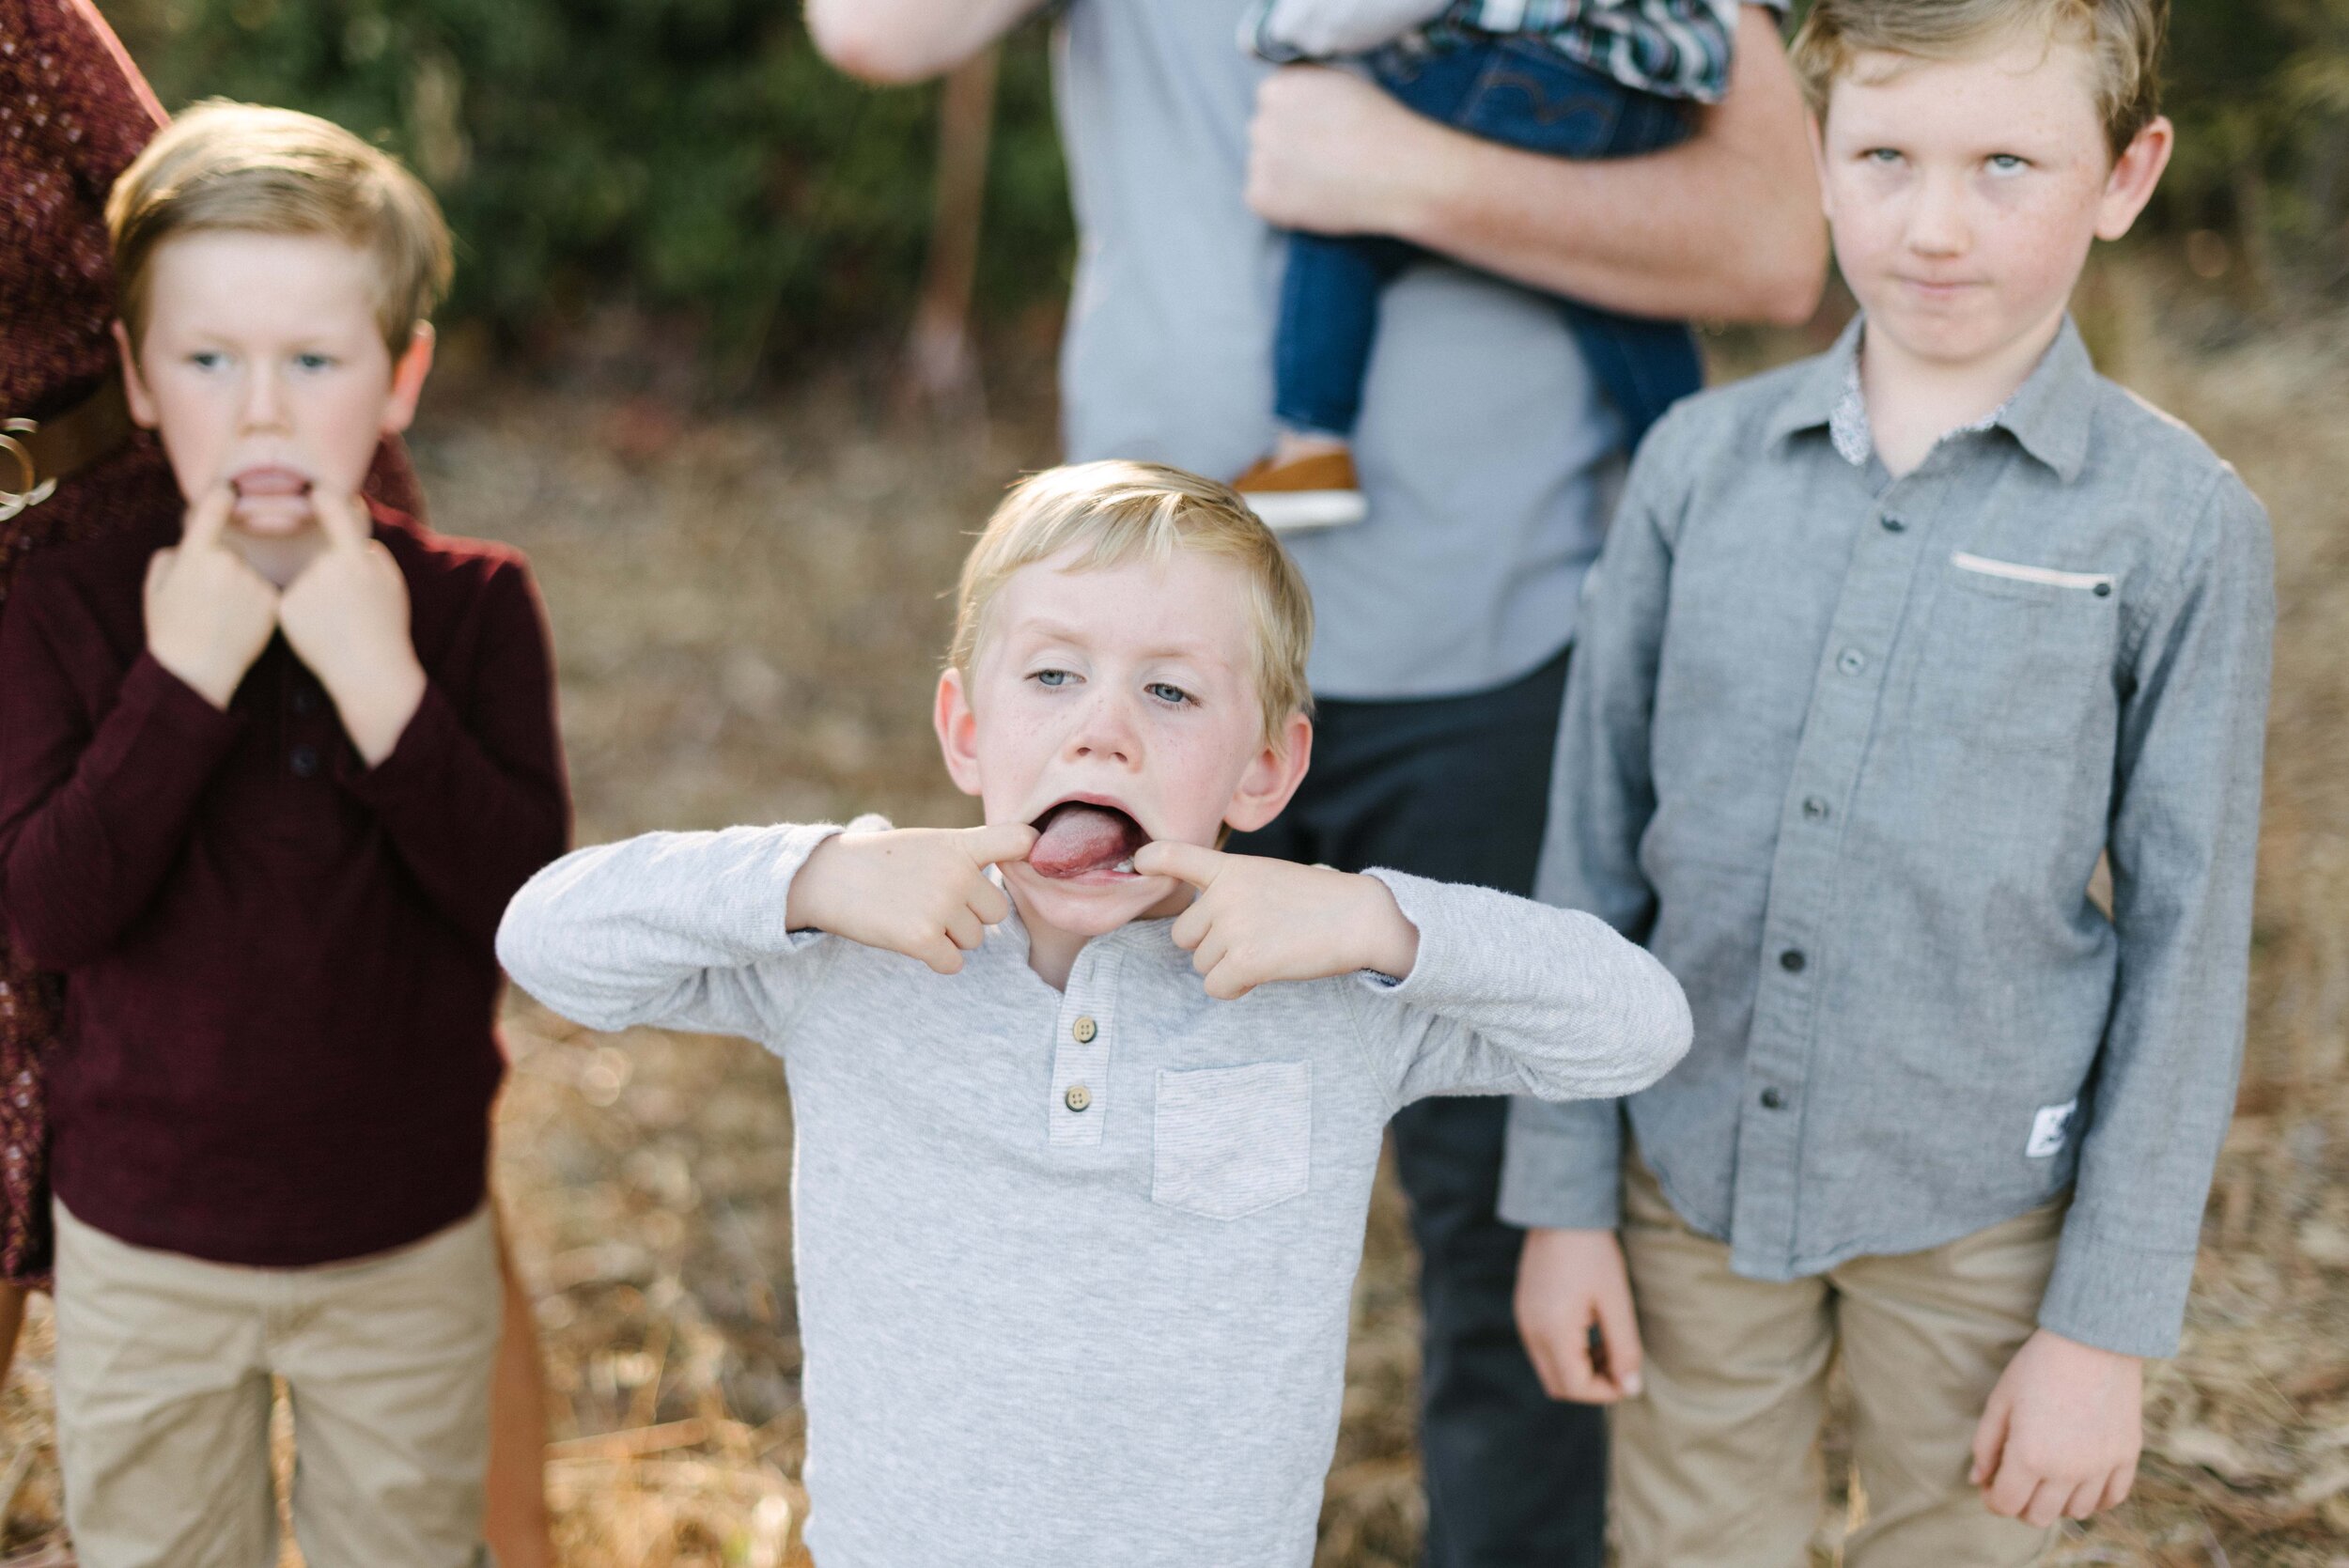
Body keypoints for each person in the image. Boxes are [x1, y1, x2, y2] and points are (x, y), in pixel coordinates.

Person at [804, 1, 1824, 1560]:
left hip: (1499, 654)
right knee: (1095, 1196)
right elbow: (872, 31)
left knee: (1513, 1228)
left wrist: (1407, 175)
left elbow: (1773, 242)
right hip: (1142, 703)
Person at [498, 459, 1691, 1567]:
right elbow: (548, 941)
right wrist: (811, 876)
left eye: (1170, 691)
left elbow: (1638, 1025)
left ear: (1264, 772)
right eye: (1053, 675)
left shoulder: (1330, 991)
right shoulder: (848, 950)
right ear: (966, 729)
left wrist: (1371, 918)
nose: (1101, 727)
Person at [1501, 2, 2275, 1563]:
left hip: (1986, 1208)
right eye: (1884, 156)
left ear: (2126, 175)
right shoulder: (1695, 468)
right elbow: (1587, 854)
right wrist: (1562, 1194)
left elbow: (2191, 947)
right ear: (1821, 159)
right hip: (1687, 1176)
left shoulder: (2179, 521)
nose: (1934, 224)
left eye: (2006, 163)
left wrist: (2103, 1328)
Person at [0, 101, 571, 1566]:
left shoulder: (472, 610)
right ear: (136, 377)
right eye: (208, 359)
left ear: (401, 376)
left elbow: (528, 910)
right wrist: (179, 678)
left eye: (313, 361)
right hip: (145, 1248)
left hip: (403, 1243)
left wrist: (381, 683)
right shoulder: (62, 607)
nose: (261, 409)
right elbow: (51, 912)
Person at [1233, 0, 1742, 529]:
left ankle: (1310, 443)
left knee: (1333, 181)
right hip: (1655, 89)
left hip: (1534, 71)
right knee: (1617, 289)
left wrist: (1280, 31)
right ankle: (1684, 488)